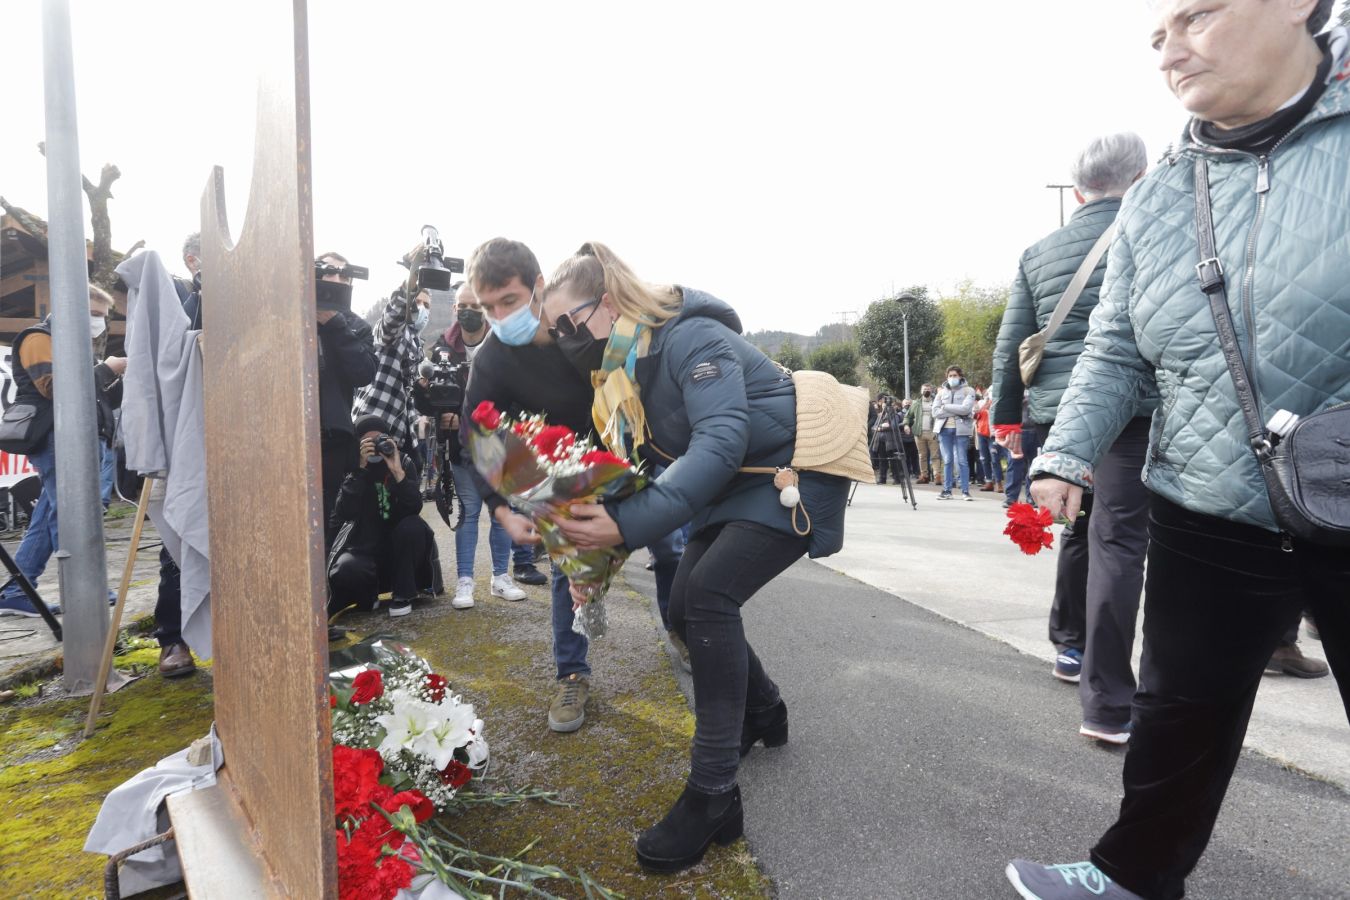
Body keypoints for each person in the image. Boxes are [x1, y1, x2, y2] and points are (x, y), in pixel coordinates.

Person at [1007, 3, 1348, 898]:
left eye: (1196, 14)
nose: (1171, 49)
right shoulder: (1161, 193)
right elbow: (1117, 346)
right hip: (1205, 500)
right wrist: (1065, 456)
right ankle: (1133, 878)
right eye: (1157, 35)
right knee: (1177, 715)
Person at [542, 242, 851, 876]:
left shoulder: (690, 338)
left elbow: (721, 438)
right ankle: (762, 712)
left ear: (607, 304)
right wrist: (599, 554)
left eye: (568, 324)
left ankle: (712, 796)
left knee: (709, 597)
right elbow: (651, 473)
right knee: (682, 605)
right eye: (555, 333)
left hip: (789, 476)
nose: (564, 340)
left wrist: (621, 525)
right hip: (734, 488)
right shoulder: (624, 374)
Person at [462, 238, 687, 735]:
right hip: (562, 475)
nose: (500, 317)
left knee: (671, 544)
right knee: (569, 568)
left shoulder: (577, 327)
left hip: (627, 456)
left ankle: (681, 627)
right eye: (488, 307)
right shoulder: (492, 359)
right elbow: (476, 438)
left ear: (539, 287)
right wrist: (502, 507)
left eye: (510, 302)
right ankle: (571, 673)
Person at [991, 132, 1155, 730]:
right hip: (1132, 410)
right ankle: (1108, 700)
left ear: (1080, 186)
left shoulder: (1040, 251)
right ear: (1141, 176)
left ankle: (1068, 644)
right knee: (1121, 540)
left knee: (1079, 529)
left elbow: (1013, 340)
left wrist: (1008, 417)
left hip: (1057, 413)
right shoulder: (1155, 231)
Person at [0, 287, 126, 617]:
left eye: (102, 316)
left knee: (48, 514)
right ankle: (84, 588)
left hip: (75, 439)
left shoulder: (71, 344)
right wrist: (106, 370)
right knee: (71, 513)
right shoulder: (38, 338)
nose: (98, 323)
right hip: (57, 438)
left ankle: (17, 588)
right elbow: (57, 389)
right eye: (93, 314)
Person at [416, 281, 526, 608]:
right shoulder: (440, 349)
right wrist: (434, 405)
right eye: (462, 306)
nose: (468, 312)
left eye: (475, 307)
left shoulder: (504, 344)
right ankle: (465, 581)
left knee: (500, 510)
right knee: (468, 510)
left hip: (498, 444)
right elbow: (427, 403)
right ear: (453, 309)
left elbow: (518, 396)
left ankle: (500, 577)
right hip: (460, 447)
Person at [328, 415, 438, 618]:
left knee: (413, 527)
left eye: (379, 440)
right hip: (364, 548)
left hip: (400, 548)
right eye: (368, 442)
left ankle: (403, 594)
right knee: (345, 568)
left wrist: (397, 470)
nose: (375, 447)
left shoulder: (403, 461)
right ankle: (367, 596)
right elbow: (344, 512)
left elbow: (414, 506)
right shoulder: (351, 466)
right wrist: (359, 470)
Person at [315, 252, 377, 548]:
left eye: (344, 274)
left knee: (330, 518)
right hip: (285, 433)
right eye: (329, 271)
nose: (336, 279)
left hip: (332, 437)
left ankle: (326, 587)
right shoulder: (286, 311)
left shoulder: (355, 325)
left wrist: (335, 326)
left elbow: (363, 373)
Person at [353, 284, 431, 460]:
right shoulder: (393, 333)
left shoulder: (419, 346)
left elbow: (407, 396)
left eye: (426, 305)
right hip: (372, 425)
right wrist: (411, 284)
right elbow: (392, 320)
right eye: (417, 302)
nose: (422, 308)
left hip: (402, 434)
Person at [932, 366, 977, 500]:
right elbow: (935, 412)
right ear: (947, 377)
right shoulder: (940, 392)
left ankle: (965, 491)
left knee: (962, 460)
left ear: (960, 376)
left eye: (955, 375)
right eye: (950, 375)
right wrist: (955, 410)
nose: (952, 378)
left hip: (961, 430)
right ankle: (947, 491)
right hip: (944, 430)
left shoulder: (968, 390)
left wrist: (945, 407)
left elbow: (966, 409)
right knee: (947, 461)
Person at [905, 383, 942, 484]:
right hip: (919, 433)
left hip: (933, 432)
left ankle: (937, 476)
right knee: (922, 456)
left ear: (931, 391)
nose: (926, 391)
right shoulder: (916, 403)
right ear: (921, 391)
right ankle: (924, 476)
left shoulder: (936, 403)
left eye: (928, 389)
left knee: (935, 456)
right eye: (925, 389)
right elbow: (908, 416)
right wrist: (906, 425)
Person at [870, 397, 902, 484]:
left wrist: (881, 428)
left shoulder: (895, 415)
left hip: (891, 441)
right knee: (882, 461)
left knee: (893, 461)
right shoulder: (880, 416)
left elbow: (893, 426)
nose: (885, 406)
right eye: (883, 405)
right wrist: (882, 427)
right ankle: (882, 479)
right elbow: (874, 427)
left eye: (886, 405)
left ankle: (897, 479)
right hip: (880, 441)